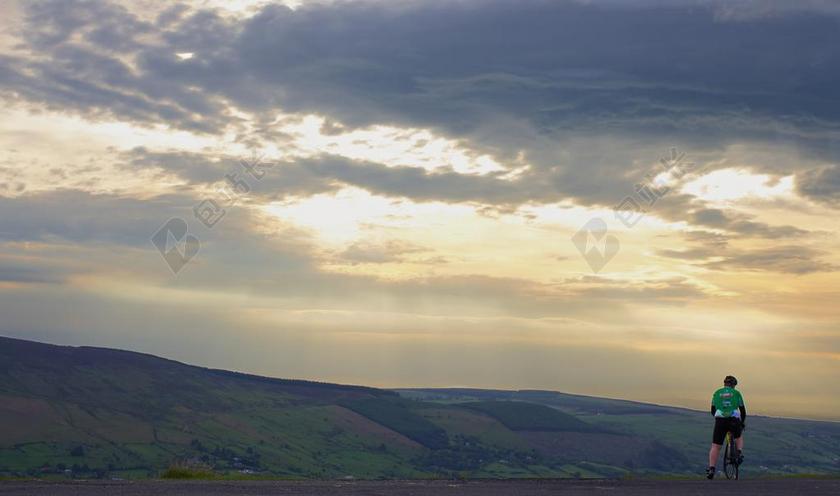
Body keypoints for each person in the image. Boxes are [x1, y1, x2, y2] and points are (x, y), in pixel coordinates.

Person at [706, 375, 746, 479]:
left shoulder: (717, 393)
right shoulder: (736, 393)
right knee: (739, 435)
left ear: (724, 383)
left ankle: (711, 469)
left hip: (720, 420)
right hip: (733, 419)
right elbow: (742, 410)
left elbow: (713, 410)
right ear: (734, 385)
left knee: (715, 446)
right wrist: (742, 422)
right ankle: (739, 452)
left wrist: (719, 418)